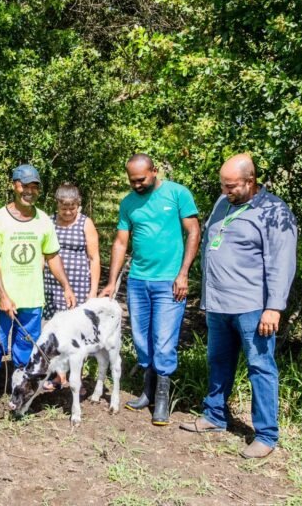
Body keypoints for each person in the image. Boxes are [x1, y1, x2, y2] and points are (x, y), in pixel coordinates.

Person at [180, 154, 297, 459]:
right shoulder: (223, 203)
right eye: (223, 185)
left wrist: (274, 307)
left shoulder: (273, 211)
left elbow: (281, 263)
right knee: (218, 360)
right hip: (218, 304)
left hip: (252, 307)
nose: (225, 190)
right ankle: (215, 415)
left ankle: (266, 435)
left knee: (260, 366)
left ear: (250, 180)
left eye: (231, 186)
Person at [99, 154, 200, 426]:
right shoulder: (128, 203)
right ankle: (147, 391)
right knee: (142, 338)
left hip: (170, 281)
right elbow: (121, 243)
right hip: (138, 280)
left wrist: (183, 273)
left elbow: (193, 231)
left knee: (164, 339)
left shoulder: (177, 194)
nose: (137, 185)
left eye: (141, 179)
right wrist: (112, 281)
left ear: (154, 171)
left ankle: (162, 399)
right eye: (132, 181)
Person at [0, 164, 76, 412]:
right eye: (24, 185)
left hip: (32, 297)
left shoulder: (43, 220)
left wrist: (66, 286)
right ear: (14, 185)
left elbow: (52, 256)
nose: (29, 191)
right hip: (3, 299)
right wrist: (3, 296)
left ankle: (20, 392)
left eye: (34, 186)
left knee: (26, 348)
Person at [43, 183, 100, 320]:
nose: (68, 212)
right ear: (57, 204)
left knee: (76, 326)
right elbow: (42, 255)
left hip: (79, 284)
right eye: (64, 208)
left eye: (72, 208)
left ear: (78, 205)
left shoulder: (85, 223)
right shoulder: (48, 222)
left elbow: (94, 258)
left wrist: (93, 291)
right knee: (51, 327)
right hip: (51, 284)